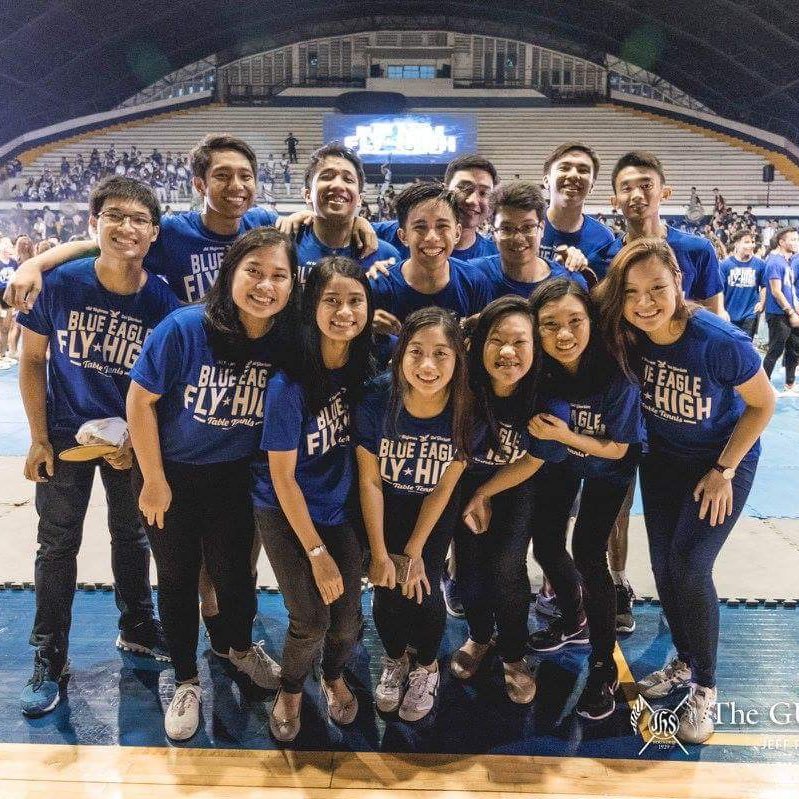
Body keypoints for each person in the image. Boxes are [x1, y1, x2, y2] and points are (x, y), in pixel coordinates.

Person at [598, 237, 774, 743]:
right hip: (664, 462)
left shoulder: (720, 341)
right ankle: (683, 655)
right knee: (662, 566)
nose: (645, 302)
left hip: (721, 462)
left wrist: (723, 469)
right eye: (632, 292)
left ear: (680, 283)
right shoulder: (630, 334)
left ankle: (705, 687)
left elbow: (763, 406)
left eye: (657, 288)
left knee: (691, 565)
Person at [16, 177, 180, 717]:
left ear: (154, 233)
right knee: (56, 543)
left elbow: (165, 391)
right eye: (114, 216)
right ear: (94, 224)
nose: (126, 227)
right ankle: (48, 654)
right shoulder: (61, 284)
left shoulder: (162, 303)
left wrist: (136, 443)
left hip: (129, 437)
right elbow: (34, 360)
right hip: (64, 431)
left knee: (132, 535)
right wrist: (39, 437)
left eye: (138, 219)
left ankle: (136, 625)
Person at [126, 227, 297, 740]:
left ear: (293, 284)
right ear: (230, 275)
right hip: (171, 473)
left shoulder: (286, 341)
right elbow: (139, 402)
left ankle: (236, 647)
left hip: (232, 476)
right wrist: (153, 478)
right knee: (177, 577)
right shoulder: (183, 328)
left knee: (235, 575)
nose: (265, 286)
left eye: (279, 276)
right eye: (254, 272)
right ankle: (184, 678)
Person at [592, 150, 727, 632]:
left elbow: (718, 321)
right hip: (630, 397)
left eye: (645, 184)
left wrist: (666, 309)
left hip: (686, 403)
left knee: (684, 523)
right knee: (620, 502)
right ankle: (618, 579)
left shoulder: (696, 250)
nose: (636, 194)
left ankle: (688, 607)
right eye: (626, 186)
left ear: (663, 191)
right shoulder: (605, 256)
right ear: (614, 197)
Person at [253, 256, 374, 743]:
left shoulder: (370, 366)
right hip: (284, 508)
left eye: (355, 301)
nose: (344, 312)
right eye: (331, 301)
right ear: (311, 307)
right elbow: (282, 479)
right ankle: (290, 689)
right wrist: (317, 553)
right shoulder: (289, 384)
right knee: (310, 618)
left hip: (338, 508)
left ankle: (334, 675)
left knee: (347, 622)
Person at [527, 278, 644, 720]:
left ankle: (602, 663)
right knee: (547, 544)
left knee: (589, 552)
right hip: (560, 461)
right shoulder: (538, 368)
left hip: (608, 466)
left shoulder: (616, 370)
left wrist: (567, 435)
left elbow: (618, 448)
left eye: (575, 321)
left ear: (590, 322)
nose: (564, 334)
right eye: (550, 324)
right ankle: (573, 616)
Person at [356, 308, 470, 721]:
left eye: (441, 353)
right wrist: (381, 552)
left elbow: (444, 485)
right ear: (400, 354)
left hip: (432, 510)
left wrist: (415, 550)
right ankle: (394, 659)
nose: (427, 365)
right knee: (386, 587)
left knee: (420, 587)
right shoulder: (375, 398)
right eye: (417, 351)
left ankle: (426, 666)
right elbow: (369, 481)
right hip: (384, 504)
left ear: (457, 359)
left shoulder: (465, 406)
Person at [450, 296, 566, 703]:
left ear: (535, 347)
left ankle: (514, 655)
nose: (507, 352)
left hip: (514, 482)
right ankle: (480, 637)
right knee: (468, 566)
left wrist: (485, 492)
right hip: (460, 480)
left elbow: (533, 460)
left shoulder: (546, 394)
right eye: (496, 340)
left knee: (506, 566)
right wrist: (468, 496)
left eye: (520, 342)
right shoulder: (461, 385)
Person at [369, 182, 493, 337]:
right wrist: (364, 328)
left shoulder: (474, 282)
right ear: (403, 236)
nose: (432, 237)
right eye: (420, 227)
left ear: (457, 233)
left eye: (442, 226)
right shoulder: (380, 287)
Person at [296, 143, 400, 284]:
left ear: (360, 198)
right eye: (326, 176)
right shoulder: (288, 248)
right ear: (307, 194)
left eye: (348, 179)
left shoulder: (386, 256)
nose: (338, 185)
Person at [472, 181, 588, 302]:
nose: (518, 238)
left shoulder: (569, 282)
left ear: (542, 228)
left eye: (527, 227)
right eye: (506, 228)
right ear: (493, 233)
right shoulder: (474, 275)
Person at [372, 155, 499, 262]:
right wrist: (358, 223)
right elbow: (352, 231)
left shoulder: (497, 257)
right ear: (445, 189)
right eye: (464, 188)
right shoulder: (392, 233)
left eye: (484, 193)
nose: (472, 200)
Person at [540, 142, 614, 282]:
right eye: (564, 168)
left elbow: (601, 293)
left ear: (591, 186)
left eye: (583, 170)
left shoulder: (603, 238)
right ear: (546, 180)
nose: (574, 175)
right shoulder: (527, 226)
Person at [762, 227, 799, 393]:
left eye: (797, 239)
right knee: (774, 351)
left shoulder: (787, 261)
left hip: (789, 312)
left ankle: (790, 383)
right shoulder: (774, 262)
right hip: (778, 315)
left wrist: (795, 309)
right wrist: (790, 312)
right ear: (781, 242)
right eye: (792, 240)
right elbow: (776, 291)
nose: (796, 243)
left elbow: (789, 289)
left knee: (793, 348)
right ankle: (763, 387)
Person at [719, 230, 766, 340]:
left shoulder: (760, 264)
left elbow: (764, 285)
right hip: (729, 313)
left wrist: (762, 302)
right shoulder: (725, 265)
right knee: (730, 346)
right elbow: (719, 290)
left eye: (752, 242)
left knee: (746, 345)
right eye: (746, 242)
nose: (751, 245)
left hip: (750, 313)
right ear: (737, 244)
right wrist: (721, 309)